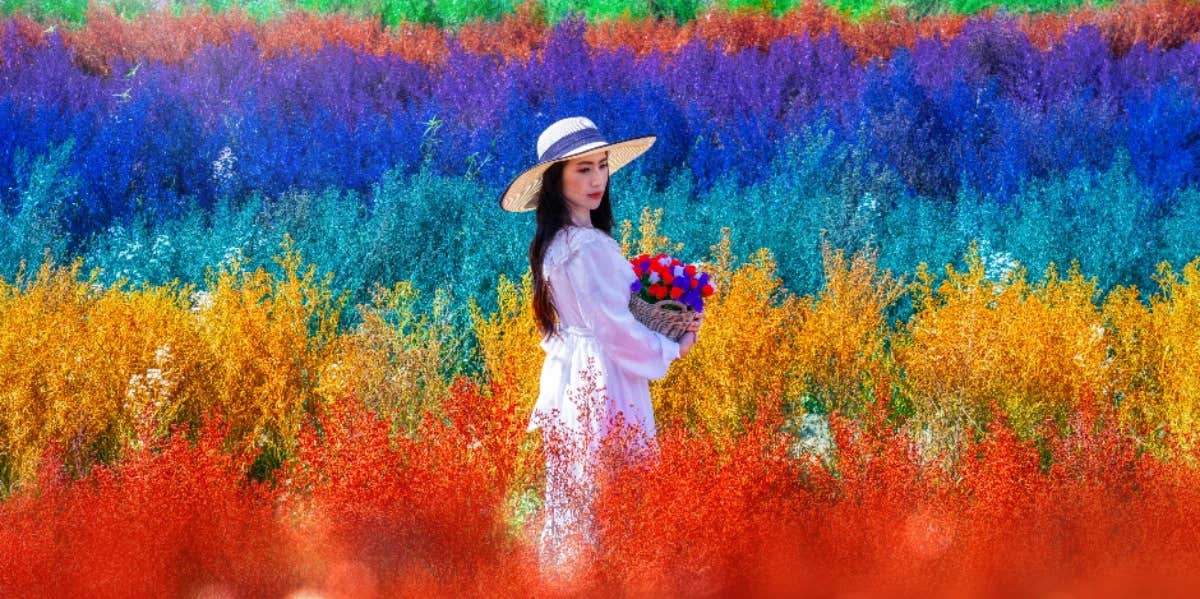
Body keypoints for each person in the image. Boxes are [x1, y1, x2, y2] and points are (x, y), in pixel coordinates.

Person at [499, 116, 703, 578]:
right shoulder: (587, 246)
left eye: (601, 166)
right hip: (605, 378)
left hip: (576, 376)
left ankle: (576, 579)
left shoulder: (557, 242)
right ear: (556, 181)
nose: (597, 180)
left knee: (580, 483)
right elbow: (614, 329)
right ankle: (611, 580)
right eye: (582, 170)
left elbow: (582, 323)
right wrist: (674, 346)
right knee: (611, 482)